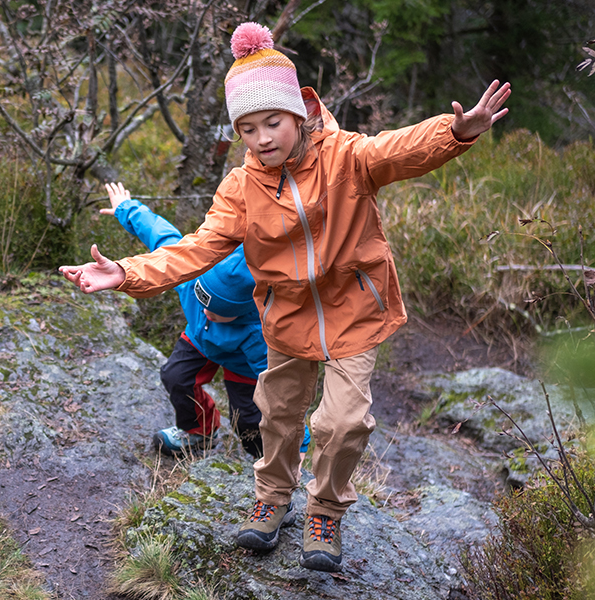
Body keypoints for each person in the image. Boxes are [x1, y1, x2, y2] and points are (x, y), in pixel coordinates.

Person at [58, 22, 509, 573]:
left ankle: (324, 510)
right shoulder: (240, 188)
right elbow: (194, 248)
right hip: (286, 316)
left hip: (354, 309)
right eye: (248, 129)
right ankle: (272, 499)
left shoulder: (346, 157)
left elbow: (400, 150)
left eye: (272, 122)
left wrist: (456, 132)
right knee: (276, 413)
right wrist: (125, 273)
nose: (263, 137)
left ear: (298, 113)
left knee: (342, 423)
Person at [98, 181, 268, 459]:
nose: (205, 310)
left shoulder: (256, 331)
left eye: (215, 311)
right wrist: (126, 209)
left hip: (244, 363)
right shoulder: (192, 281)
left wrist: (299, 442)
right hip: (200, 339)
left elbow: (278, 390)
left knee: (248, 417)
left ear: (242, 311)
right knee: (175, 377)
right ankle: (198, 432)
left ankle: (270, 461)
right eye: (202, 301)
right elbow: (162, 237)